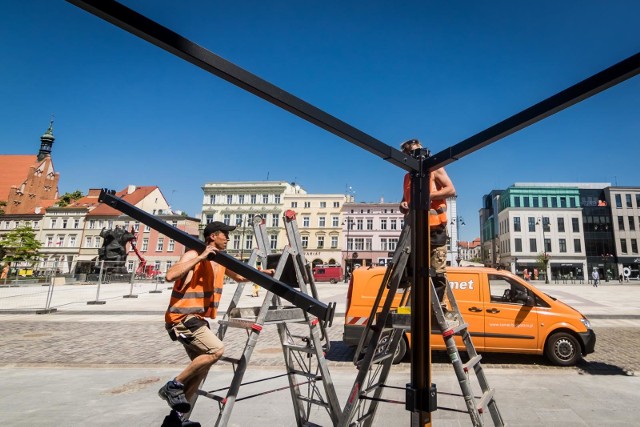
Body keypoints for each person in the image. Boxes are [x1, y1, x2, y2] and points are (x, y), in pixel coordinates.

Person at [158, 221, 273, 427]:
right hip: (182, 318)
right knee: (216, 350)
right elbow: (170, 275)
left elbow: (238, 276)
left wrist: (260, 274)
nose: (228, 238)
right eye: (225, 235)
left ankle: (176, 419)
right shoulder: (194, 254)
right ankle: (173, 385)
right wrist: (201, 256)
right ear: (213, 236)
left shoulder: (219, 260)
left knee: (201, 370)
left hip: (197, 319)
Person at [399, 138, 456, 313]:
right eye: (413, 153)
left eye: (419, 151)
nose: (418, 156)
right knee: (414, 270)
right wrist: (402, 205)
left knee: (437, 270)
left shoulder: (434, 169)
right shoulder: (408, 177)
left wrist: (428, 196)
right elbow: (404, 201)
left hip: (435, 229)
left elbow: (451, 190)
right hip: (415, 229)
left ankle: (437, 307)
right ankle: (417, 304)